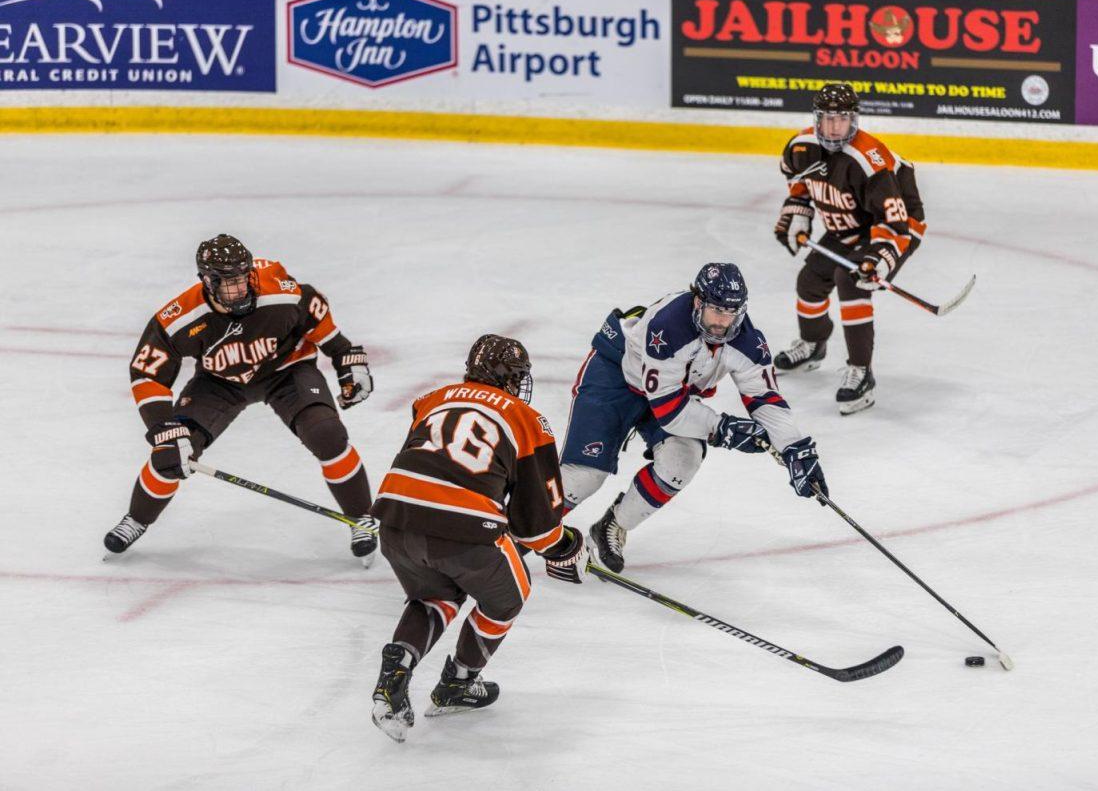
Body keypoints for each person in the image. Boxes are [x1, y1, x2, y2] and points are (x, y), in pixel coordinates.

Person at [104, 234, 378, 563]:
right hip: (220, 382)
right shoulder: (181, 317)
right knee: (171, 452)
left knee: (327, 434)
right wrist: (163, 427)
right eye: (229, 283)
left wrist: (345, 355)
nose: (242, 289)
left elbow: (313, 310)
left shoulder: (277, 290)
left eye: (243, 278)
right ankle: (137, 518)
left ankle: (361, 517)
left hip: (287, 371)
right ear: (207, 281)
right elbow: (147, 373)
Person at [369, 334, 586, 742]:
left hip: (395, 518)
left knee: (435, 596)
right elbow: (536, 526)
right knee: (509, 594)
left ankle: (394, 673)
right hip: (462, 528)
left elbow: (423, 461)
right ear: (511, 379)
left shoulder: (431, 399)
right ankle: (459, 683)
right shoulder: (527, 418)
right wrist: (566, 546)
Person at [558, 262, 828, 573]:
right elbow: (670, 411)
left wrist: (795, 448)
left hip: (670, 393)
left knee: (682, 460)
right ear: (697, 301)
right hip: (616, 377)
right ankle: (518, 534)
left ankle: (612, 525)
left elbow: (765, 398)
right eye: (716, 310)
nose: (723, 322)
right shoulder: (667, 326)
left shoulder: (747, 340)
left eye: (731, 312)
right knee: (583, 477)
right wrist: (721, 428)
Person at [772, 82, 927, 414]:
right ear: (816, 119)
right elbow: (796, 179)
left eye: (840, 119)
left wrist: (882, 258)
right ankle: (813, 345)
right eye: (826, 119)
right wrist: (798, 213)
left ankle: (861, 371)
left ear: (853, 120)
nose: (833, 127)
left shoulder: (869, 161)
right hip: (847, 224)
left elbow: (894, 220)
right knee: (810, 281)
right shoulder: (801, 147)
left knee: (851, 279)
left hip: (894, 226)